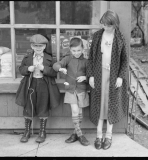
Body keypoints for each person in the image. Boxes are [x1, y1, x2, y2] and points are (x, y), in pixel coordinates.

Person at [87, 10, 129, 150]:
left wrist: (121, 77)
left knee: (111, 103)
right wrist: (91, 75)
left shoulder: (120, 38)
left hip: (113, 77)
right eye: (103, 24)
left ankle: (109, 135)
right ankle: (99, 135)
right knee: (100, 103)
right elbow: (91, 58)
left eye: (108, 25)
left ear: (114, 24)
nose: (105, 27)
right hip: (99, 75)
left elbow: (125, 60)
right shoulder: (97, 36)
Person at [15, 34, 61, 143]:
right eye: (36, 46)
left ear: (45, 46)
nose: (38, 48)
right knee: (28, 106)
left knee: (43, 105)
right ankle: (27, 131)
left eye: (41, 46)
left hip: (44, 84)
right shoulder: (27, 58)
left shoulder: (50, 59)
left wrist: (44, 69)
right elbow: (21, 69)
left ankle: (42, 131)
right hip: (30, 84)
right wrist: (27, 69)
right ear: (32, 46)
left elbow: (55, 72)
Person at [53, 37, 90, 146]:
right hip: (70, 90)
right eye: (74, 51)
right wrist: (60, 69)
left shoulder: (86, 61)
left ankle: (75, 134)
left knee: (79, 112)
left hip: (81, 90)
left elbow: (91, 75)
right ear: (70, 49)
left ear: (83, 49)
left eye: (79, 50)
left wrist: (85, 77)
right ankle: (81, 135)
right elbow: (56, 65)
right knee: (75, 110)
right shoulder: (68, 59)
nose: (77, 53)